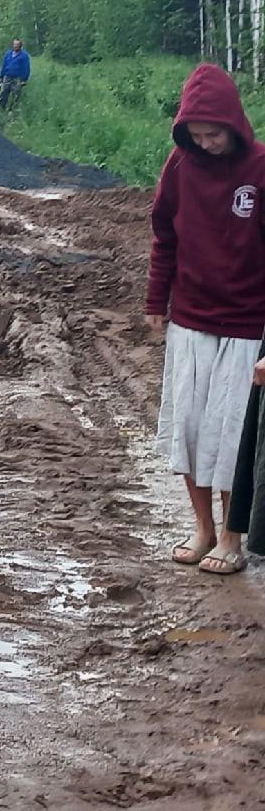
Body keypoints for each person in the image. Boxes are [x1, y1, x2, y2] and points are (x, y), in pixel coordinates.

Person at [146, 62, 265, 575]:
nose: (206, 143)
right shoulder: (180, 165)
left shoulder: (261, 168)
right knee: (192, 433)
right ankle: (203, 530)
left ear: (233, 124)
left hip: (247, 326)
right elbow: (162, 234)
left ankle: (232, 537)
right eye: (196, 135)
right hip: (190, 319)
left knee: (231, 437)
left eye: (213, 134)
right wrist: (156, 302)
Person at [0, 38, 31, 109]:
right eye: (14, 44)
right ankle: (1, 108)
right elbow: (4, 65)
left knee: (16, 94)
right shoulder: (8, 54)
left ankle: (13, 109)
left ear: (20, 46)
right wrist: (1, 76)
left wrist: (24, 79)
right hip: (7, 76)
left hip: (17, 78)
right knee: (3, 92)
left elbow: (26, 67)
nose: (15, 46)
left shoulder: (24, 56)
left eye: (17, 45)